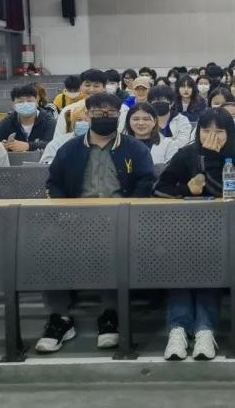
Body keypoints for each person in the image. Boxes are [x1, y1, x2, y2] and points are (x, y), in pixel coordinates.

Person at [40, 93, 156, 354]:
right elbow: (53, 183)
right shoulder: (69, 149)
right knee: (46, 242)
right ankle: (59, 317)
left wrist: (128, 211)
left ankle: (110, 313)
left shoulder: (135, 148)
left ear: (118, 115)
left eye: (111, 112)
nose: (105, 116)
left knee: (111, 242)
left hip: (120, 218)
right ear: (87, 114)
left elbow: (146, 182)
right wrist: (65, 211)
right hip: (74, 218)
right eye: (98, 112)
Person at [154, 108, 235, 361]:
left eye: (219, 131)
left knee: (209, 268)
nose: (212, 136)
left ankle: (205, 330)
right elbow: (160, 189)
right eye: (206, 130)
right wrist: (187, 189)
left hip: (222, 230)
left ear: (230, 133)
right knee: (181, 269)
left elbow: (222, 192)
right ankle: (178, 329)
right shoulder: (186, 154)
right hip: (181, 229)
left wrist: (210, 157)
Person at [0, 84, 57, 153]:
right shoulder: (9, 120)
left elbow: (54, 143)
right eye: (20, 101)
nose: (25, 104)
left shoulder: (48, 120)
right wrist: (0, 145)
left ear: (37, 101)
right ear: (13, 104)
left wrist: (28, 146)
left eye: (29, 101)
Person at [51, 69, 108, 142]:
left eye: (96, 86)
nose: (91, 89)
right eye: (87, 85)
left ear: (104, 87)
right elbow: (57, 140)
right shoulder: (69, 110)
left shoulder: (112, 110)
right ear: (80, 86)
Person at [148, 85, 193, 150]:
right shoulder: (145, 120)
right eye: (155, 100)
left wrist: (158, 145)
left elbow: (182, 144)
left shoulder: (182, 120)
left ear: (172, 103)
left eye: (163, 99)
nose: (159, 102)